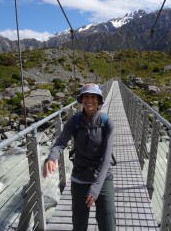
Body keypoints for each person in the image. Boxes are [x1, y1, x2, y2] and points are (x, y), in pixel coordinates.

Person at [43, 83, 116, 231]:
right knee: (79, 225)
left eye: (93, 97)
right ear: (81, 100)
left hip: (102, 178)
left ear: (99, 100)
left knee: (108, 223)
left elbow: (107, 158)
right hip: (80, 178)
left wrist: (95, 189)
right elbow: (61, 142)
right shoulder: (74, 121)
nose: (89, 100)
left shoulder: (106, 122)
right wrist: (51, 158)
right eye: (86, 96)